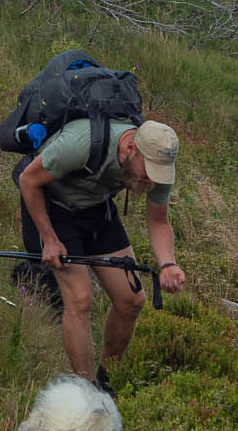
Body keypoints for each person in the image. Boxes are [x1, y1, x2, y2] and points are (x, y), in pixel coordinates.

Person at [11, 118, 187, 392]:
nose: (152, 180)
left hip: (96, 210)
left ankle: (106, 385)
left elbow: (159, 221)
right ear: (131, 147)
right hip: (55, 208)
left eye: (159, 174)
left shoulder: (157, 169)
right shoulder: (80, 144)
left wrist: (168, 264)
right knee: (80, 299)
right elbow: (28, 180)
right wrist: (49, 239)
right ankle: (86, 392)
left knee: (131, 300)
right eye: (148, 171)